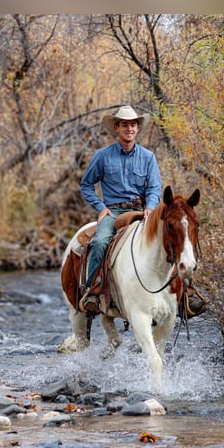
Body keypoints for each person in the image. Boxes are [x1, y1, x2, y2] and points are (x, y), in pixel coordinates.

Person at [79, 105, 162, 313]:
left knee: (170, 238)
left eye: (133, 125)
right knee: (99, 242)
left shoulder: (148, 157)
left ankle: (179, 293)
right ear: (116, 128)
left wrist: (151, 207)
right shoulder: (103, 156)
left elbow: (154, 187)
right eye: (125, 125)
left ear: (137, 128)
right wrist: (100, 207)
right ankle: (92, 291)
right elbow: (86, 185)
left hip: (141, 211)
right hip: (114, 212)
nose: (129, 129)